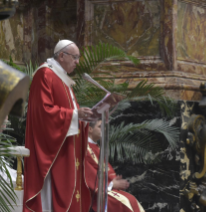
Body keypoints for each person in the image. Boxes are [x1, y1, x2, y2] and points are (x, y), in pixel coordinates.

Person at [23, 40, 93, 212]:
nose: (77, 62)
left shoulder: (62, 78)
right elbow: (43, 112)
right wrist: (76, 115)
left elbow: (70, 110)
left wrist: (82, 118)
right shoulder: (45, 74)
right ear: (62, 56)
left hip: (66, 147)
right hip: (51, 152)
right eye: (75, 57)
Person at [85, 120, 145, 212]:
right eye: (100, 127)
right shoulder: (84, 148)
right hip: (95, 194)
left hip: (106, 188)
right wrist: (111, 184)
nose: (104, 129)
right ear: (90, 129)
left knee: (130, 199)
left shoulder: (96, 146)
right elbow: (88, 172)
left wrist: (113, 181)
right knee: (125, 201)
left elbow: (105, 168)